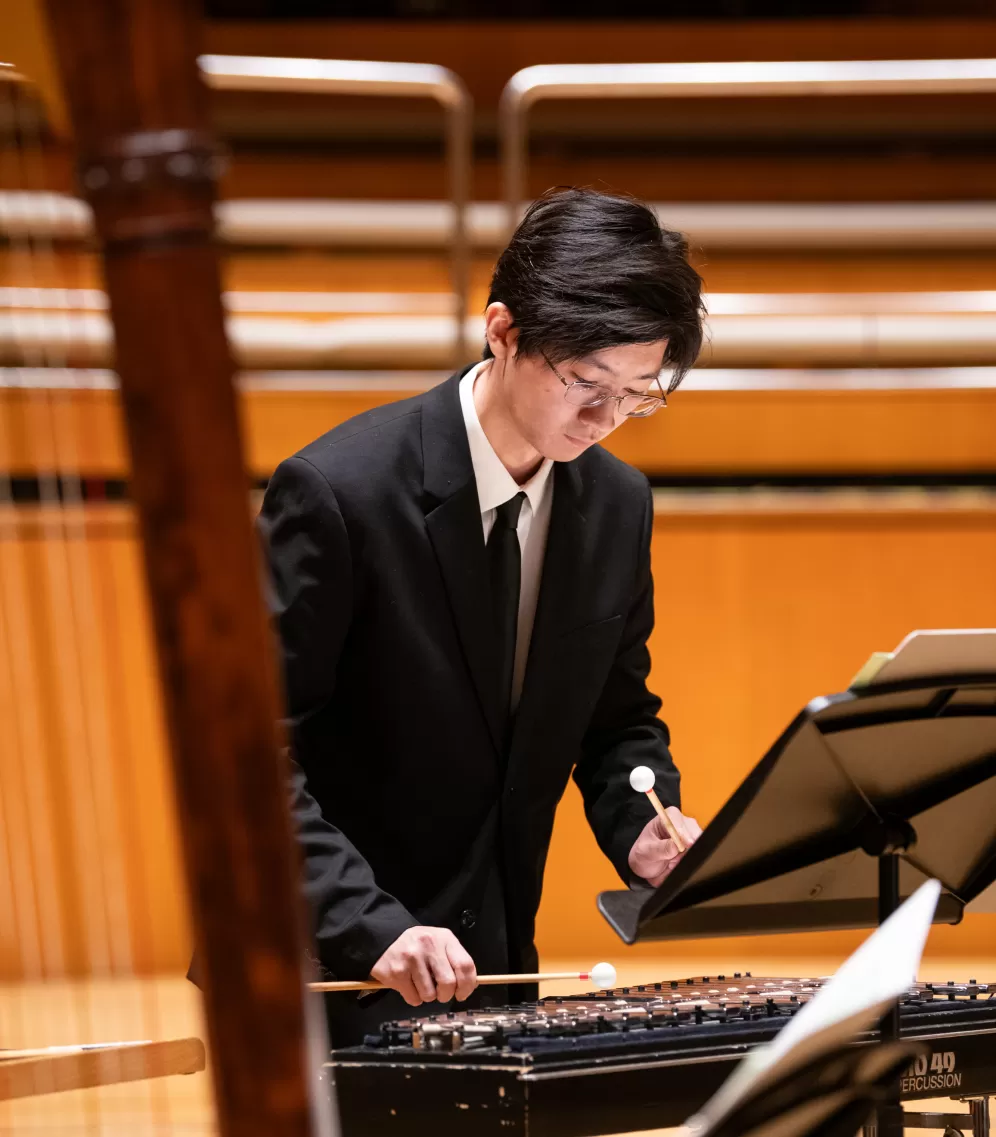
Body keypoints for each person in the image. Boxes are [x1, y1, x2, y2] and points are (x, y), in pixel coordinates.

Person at [259, 187, 706, 1045]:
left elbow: (617, 720)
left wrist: (644, 828)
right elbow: (249, 760)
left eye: (637, 393)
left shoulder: (617, 504)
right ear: (502, 330)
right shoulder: (339, 494)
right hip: (328, 975)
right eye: (586, 383)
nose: (606, 419)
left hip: (494, 968)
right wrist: (373, 924)